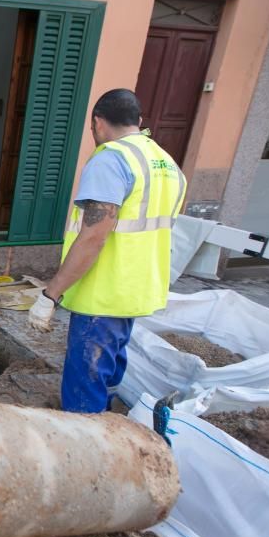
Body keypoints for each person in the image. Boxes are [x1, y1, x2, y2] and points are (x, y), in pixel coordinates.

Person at [28, 88, 186, 413]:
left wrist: (50, 294)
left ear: (97, 122)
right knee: (110, 369)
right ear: (139, 121)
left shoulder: (111, 159)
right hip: (136, 291)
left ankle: (85, 445)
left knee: (84, 382)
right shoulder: (166, 163)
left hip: (103, 292)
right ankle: (106, 425)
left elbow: (93, 237)